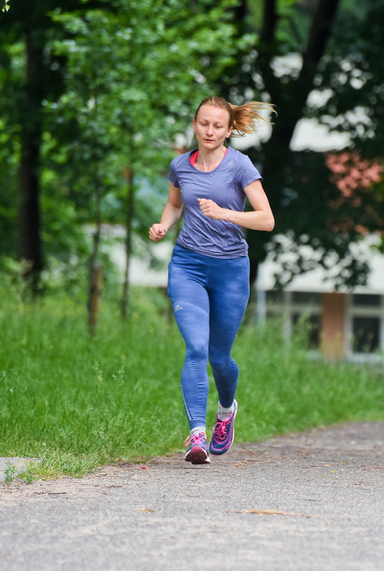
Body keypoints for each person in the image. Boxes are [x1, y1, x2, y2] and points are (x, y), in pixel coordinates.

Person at [149, 96, 275, 464]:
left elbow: (266, 219)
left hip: (230, 269)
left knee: (220, 358)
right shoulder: (180, 165)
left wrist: (225, 214)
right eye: (204, 123)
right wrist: (164, 224)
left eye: (218, 125)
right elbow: (175, 204)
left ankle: (224, 412)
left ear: (229, 129)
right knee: (196, 348)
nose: (210, 130)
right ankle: (196, 434)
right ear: (194, 124)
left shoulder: (240, 165)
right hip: (187, 265)